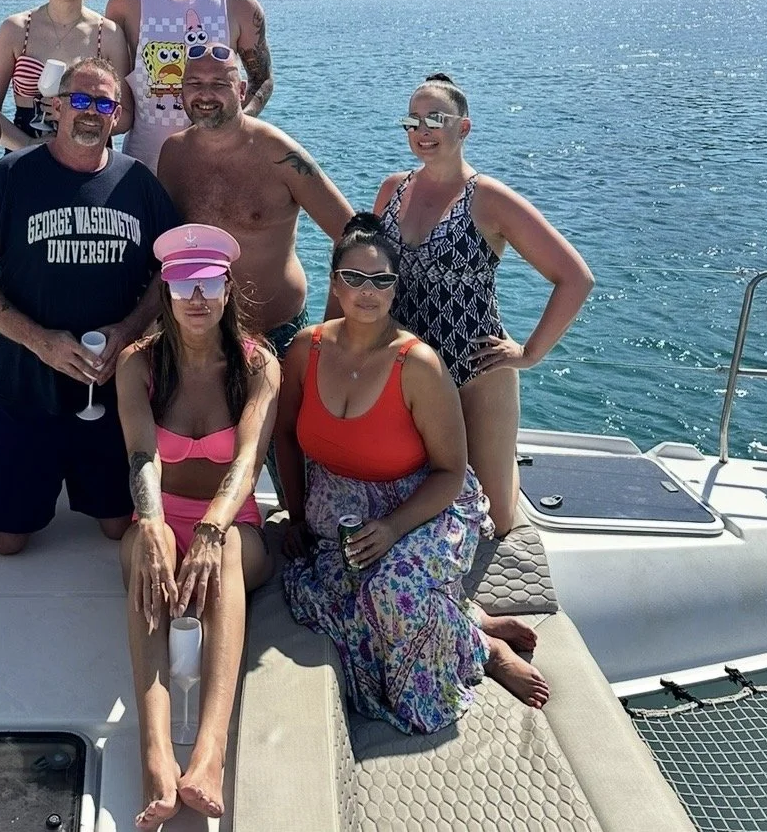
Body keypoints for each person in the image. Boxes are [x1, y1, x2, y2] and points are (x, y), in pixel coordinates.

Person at [277, 214, 549, 734]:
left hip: (424, 504)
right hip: (340, 511)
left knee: (391, 588)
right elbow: (286, 436)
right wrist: (293, 515)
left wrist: (394, 528)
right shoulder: (305, 351)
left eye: (381, 280)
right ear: (334, 281)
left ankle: (484, 651)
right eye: (354, 277)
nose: (367, 291)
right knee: (342, 600)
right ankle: (470, 620)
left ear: (396, 287)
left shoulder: (417, 364)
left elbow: (451, 472)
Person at [0, 59, 180, 555]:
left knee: (120, 526)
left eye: (103, 104)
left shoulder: (138, 183)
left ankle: (77, 478)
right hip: (23, 383)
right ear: (55, 106)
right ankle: (33, 478)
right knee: (6, 543)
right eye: (79, 100)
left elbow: (171, 267)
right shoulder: (11, 177)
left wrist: (130, 329)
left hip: (110, 383)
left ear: (117, 116)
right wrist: (38, 340)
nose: (91, 112)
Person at [373, 73, 594, 535]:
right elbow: (363, 269)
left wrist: (529, 354)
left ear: (464, 128)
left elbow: (574, 278)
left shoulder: (488, 198)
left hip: (476, 367)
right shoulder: (392, 189)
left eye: (436, 118)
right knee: (409, 493)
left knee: (495, 518)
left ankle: (506, 469)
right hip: (405, 365)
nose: (423, 130)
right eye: (412, 121)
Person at [118, 224, 279, 829]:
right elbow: (141, 455)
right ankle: (156, 753)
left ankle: (209, 751)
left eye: (209, 282)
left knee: (231, 550)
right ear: (166, 288)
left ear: (228, 285)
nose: (197, 296)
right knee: (141, 555)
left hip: (230, 519)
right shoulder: (138, 364)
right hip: (159, 513)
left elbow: (247, 461)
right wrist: (154, 524)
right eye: (183, 283)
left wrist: (211, 530)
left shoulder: (259, 364)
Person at [157, 43, 354, 354]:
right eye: (194, 84)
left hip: (277, 333)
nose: (205, 95)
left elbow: (351, 235)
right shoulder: (173, 154)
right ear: (181, 91)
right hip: (199, 337)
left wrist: (332, 327)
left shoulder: (280, 154)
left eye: (219, 84)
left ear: (242, 90)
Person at [106, 0, 274, 173]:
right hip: (141, 169)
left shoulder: (239, 5)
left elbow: (263, 79)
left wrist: (233, 126)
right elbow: (109, 84)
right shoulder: (126, 2)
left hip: (215, 168)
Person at [0, 0, 131, 151]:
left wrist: (78, 116)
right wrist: (27, 145)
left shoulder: (109, 34)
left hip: (89, 157)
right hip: (25, 157)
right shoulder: (15, 29)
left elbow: (126, 115)